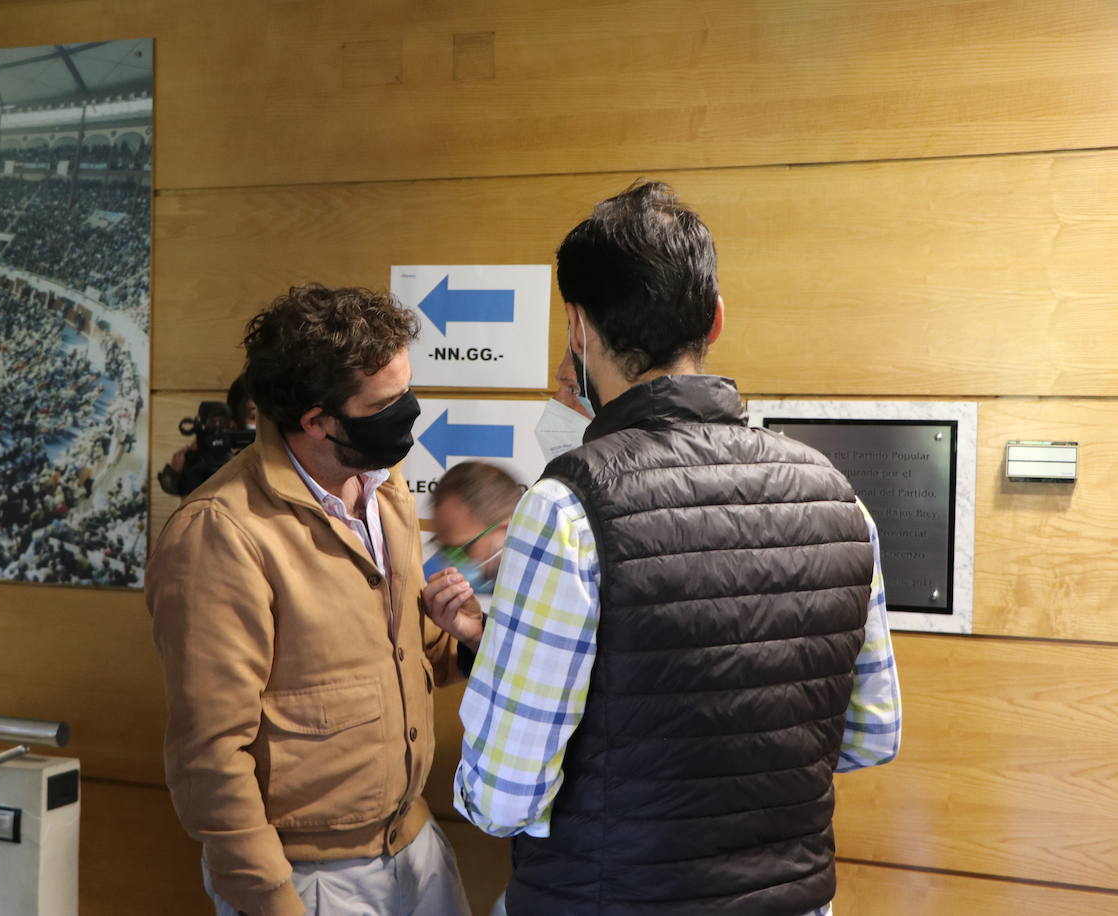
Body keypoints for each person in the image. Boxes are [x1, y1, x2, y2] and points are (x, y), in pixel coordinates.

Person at [426, 181, 901, 915]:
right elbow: (871, 735)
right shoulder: (839, 495)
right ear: (715, 318)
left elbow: (501, 795)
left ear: (578, 330)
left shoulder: (568, 508)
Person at [146, 284, 472, 916]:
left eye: (407, 390)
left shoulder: (384, 487)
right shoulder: (221, 533)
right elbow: (210, 756)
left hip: (416, 846)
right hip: (310, 882)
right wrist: (273, 901)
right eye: (386, 404)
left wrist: (466, 638)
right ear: (316, 420)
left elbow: (404, 661)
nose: (408, 413)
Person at [423, 461, 522, 595]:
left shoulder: (548, 595)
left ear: (506, 531)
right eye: (444, 548)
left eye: (463, 550)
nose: (451, 566)